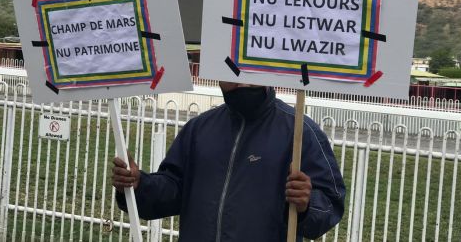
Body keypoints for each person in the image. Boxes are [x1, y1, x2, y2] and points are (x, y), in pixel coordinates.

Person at [112, 82, 345, 241]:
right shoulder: (199, 129)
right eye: (232, 68)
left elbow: (330, 204)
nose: (242, 80)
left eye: (248, 67)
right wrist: (139, 185)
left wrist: (307, 204)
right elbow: (174, 189)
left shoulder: (298, 132)